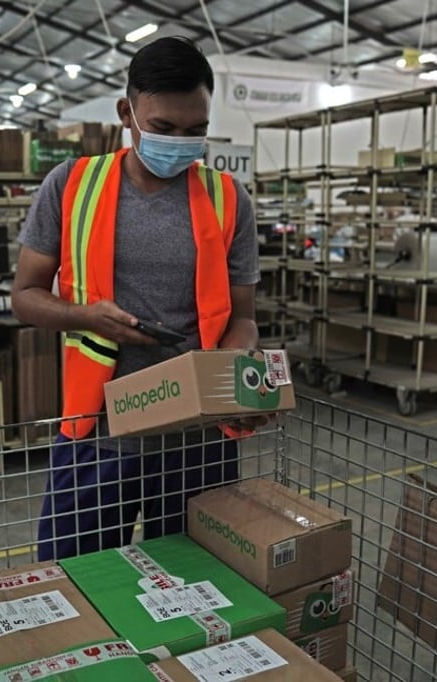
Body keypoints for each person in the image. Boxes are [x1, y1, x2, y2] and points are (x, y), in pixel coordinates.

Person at [13, 36, 262, 561]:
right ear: (127, 112)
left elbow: (243, 319)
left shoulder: (229, 198)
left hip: (198, 440)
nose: (180, 142)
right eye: (164, 128)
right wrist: (87, 318)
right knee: (79, 582)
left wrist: (238, 363)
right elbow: (25, 297)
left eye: (196, 131)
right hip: (97, 434)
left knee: (200, 588)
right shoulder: (71, 185)